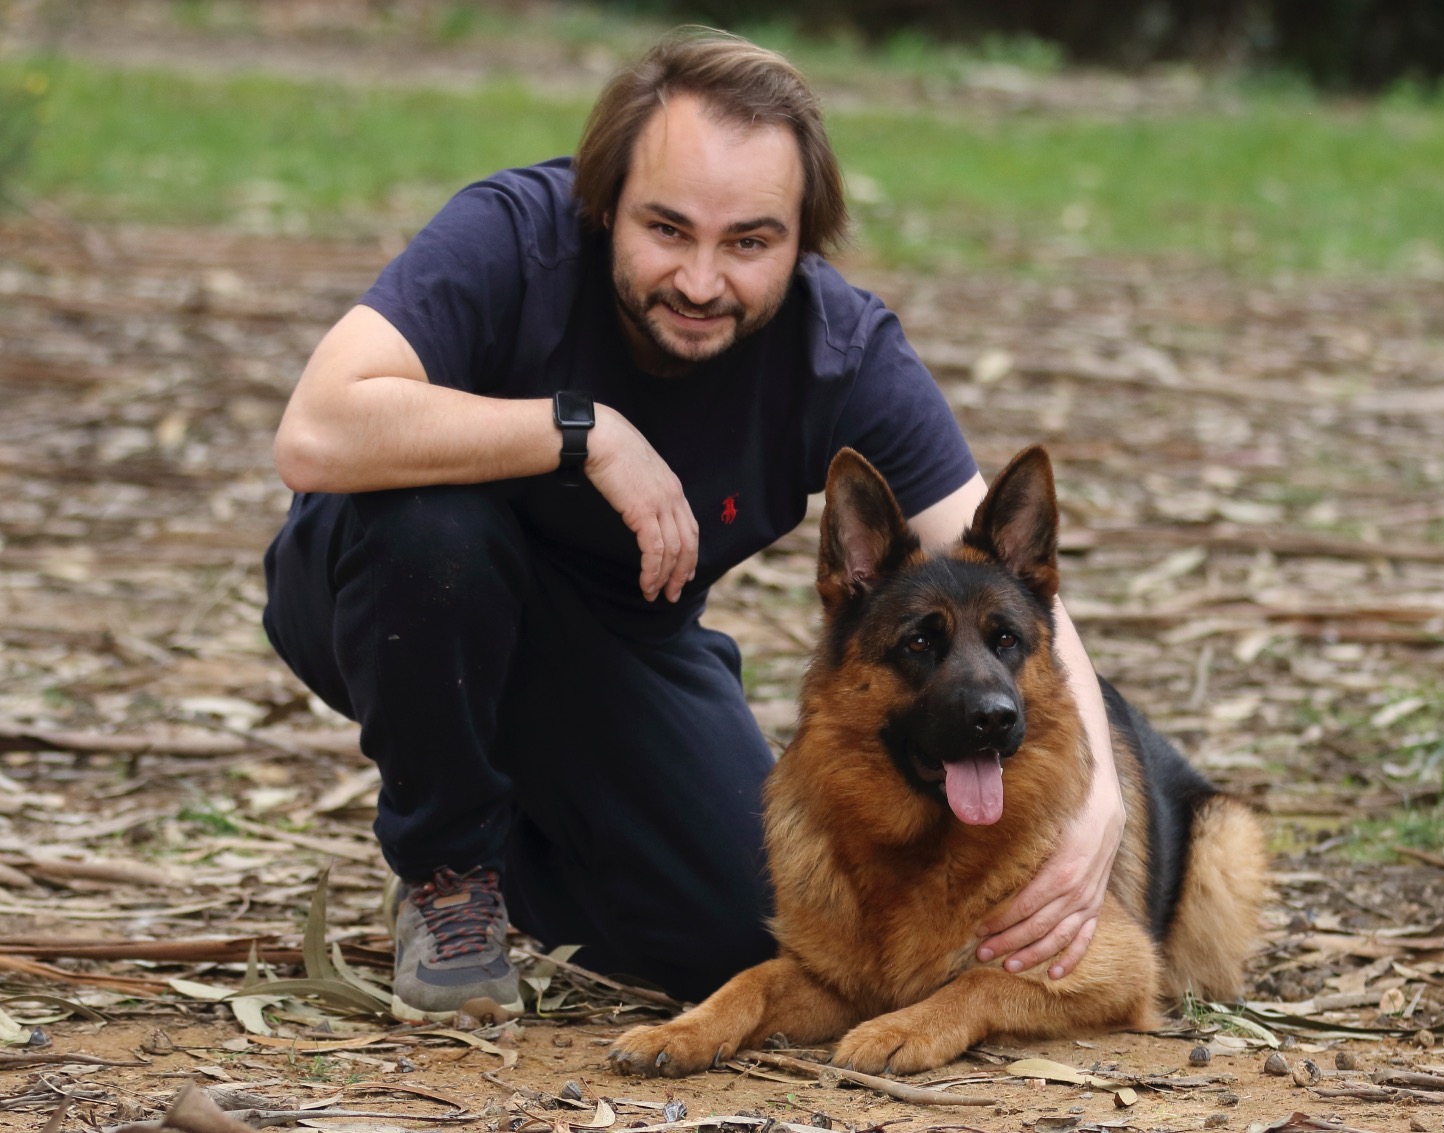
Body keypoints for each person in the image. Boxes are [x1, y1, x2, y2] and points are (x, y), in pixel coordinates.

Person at [263, 28, 1127, 1022]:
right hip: (393, 586)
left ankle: (520, 842)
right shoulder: (510, 235)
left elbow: (1005, 586)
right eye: (665, 230)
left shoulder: (838, 350)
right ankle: (448, 872)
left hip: (620, 641)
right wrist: (579, 431)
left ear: (802, 239)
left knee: (739, 932)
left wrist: (1095, 796)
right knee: (437, 529)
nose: (702, 281)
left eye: (748, 242)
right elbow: (315, 428)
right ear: (603, 203)